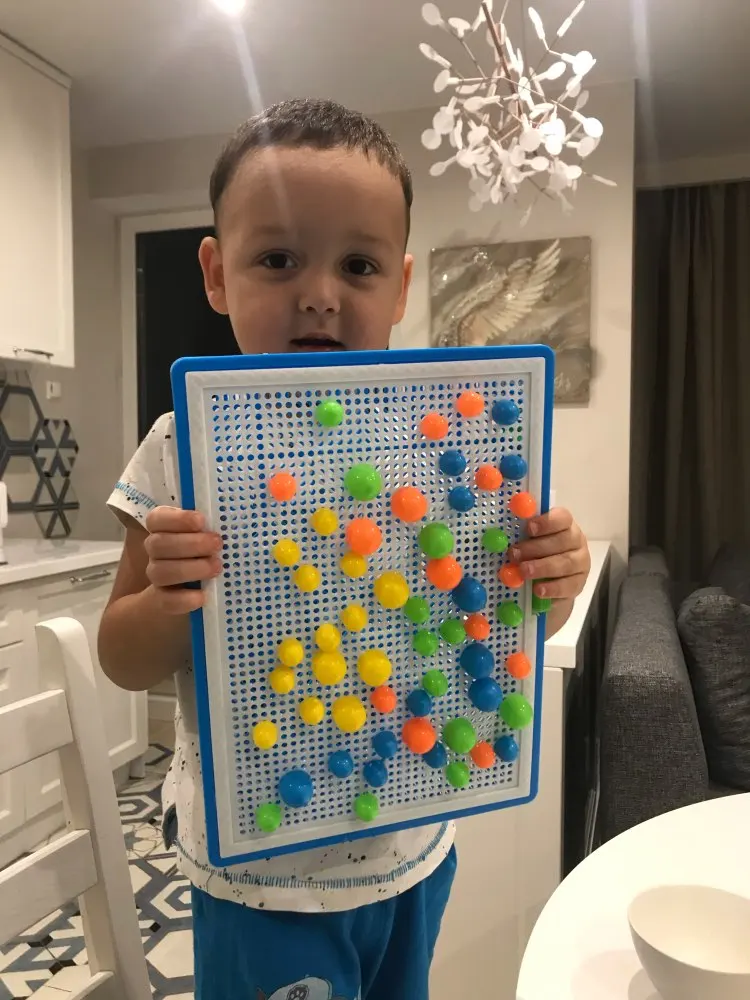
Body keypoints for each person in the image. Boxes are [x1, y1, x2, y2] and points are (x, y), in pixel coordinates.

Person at [98, 97, 591, 1000]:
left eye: (358, 265)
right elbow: (120, 659)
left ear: (400, 287)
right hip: (261, 878)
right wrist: (169, 600)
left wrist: (552, 580)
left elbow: (493, 622)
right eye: (278, 259)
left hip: (412, 846)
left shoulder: (438, 441)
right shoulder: (181, 447)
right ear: (216, 273)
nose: (321, 292)